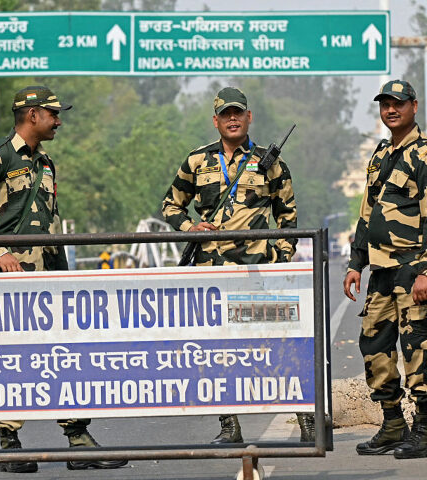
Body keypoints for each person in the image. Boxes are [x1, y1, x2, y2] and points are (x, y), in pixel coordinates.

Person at [0, 86, 126, 473]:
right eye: (53, 114)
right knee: (13, 359)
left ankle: (78, 440)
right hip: (10, 283)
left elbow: (50, 223)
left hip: (51, 279)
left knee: (65, 355)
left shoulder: (47, 163)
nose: (59, 121)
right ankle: (10, 445)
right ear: (32, 115)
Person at [162, 86, 314, 443]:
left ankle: (306, 420)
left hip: (260, 274)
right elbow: (171, 205)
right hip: (213, 273)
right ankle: (229, 426)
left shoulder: (269, 162)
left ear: (249, 118)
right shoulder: (197, 161)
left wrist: (282, 257)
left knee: (281, 344)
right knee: (216, 351)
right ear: (215, 121)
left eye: (238, 113)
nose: (233, 119)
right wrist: (190, 227)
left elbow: (288, 217)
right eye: (226, 114)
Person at [343, 80, 427, 459]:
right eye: (385, 104)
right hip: (381, 272)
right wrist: (356, 263)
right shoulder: (380, 154)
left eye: (398, 104)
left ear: (414, 107)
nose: (391, 110)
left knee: (418, 349)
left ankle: (423, 433)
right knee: (374, 346)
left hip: (413, 270)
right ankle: (392, 425)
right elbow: (366, 214)